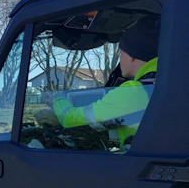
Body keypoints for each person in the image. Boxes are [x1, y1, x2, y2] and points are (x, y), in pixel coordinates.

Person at [51, 17, 159, 149]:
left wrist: (57, 100)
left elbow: (70, 119)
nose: (120, 58)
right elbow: (117, 126)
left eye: (121, 53)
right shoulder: (165, 84)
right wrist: (113, 148)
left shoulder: (134, 92)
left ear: (132, 56)